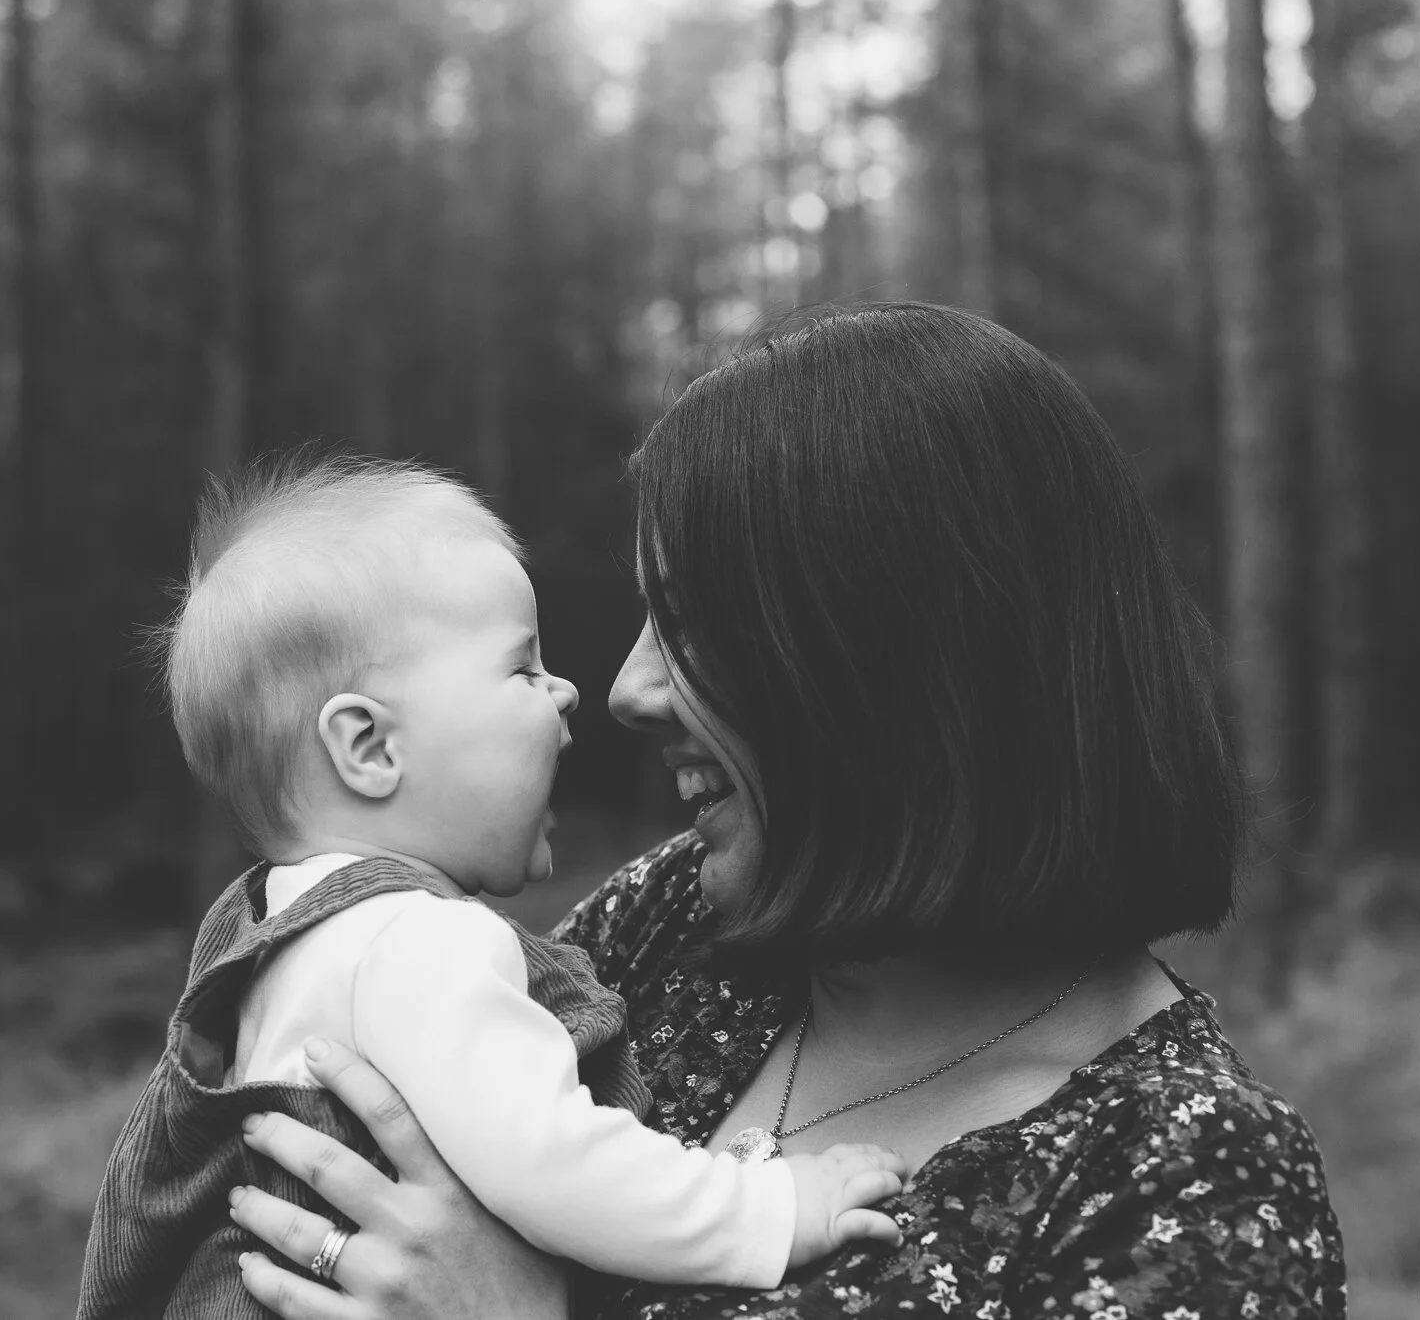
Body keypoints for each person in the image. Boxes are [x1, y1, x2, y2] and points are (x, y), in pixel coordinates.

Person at [221, 302, 1348, 1319]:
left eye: (689, 622)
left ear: (895, 656)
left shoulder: (1182, 1180)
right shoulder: (668, 930)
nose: (625, 690)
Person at [75, 456, 910, 1320]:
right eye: (522, 668)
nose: (571, 690)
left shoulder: (273, 934)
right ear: (368, 747)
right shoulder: (416, 941)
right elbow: (553, 1160)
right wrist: (767, 1211)